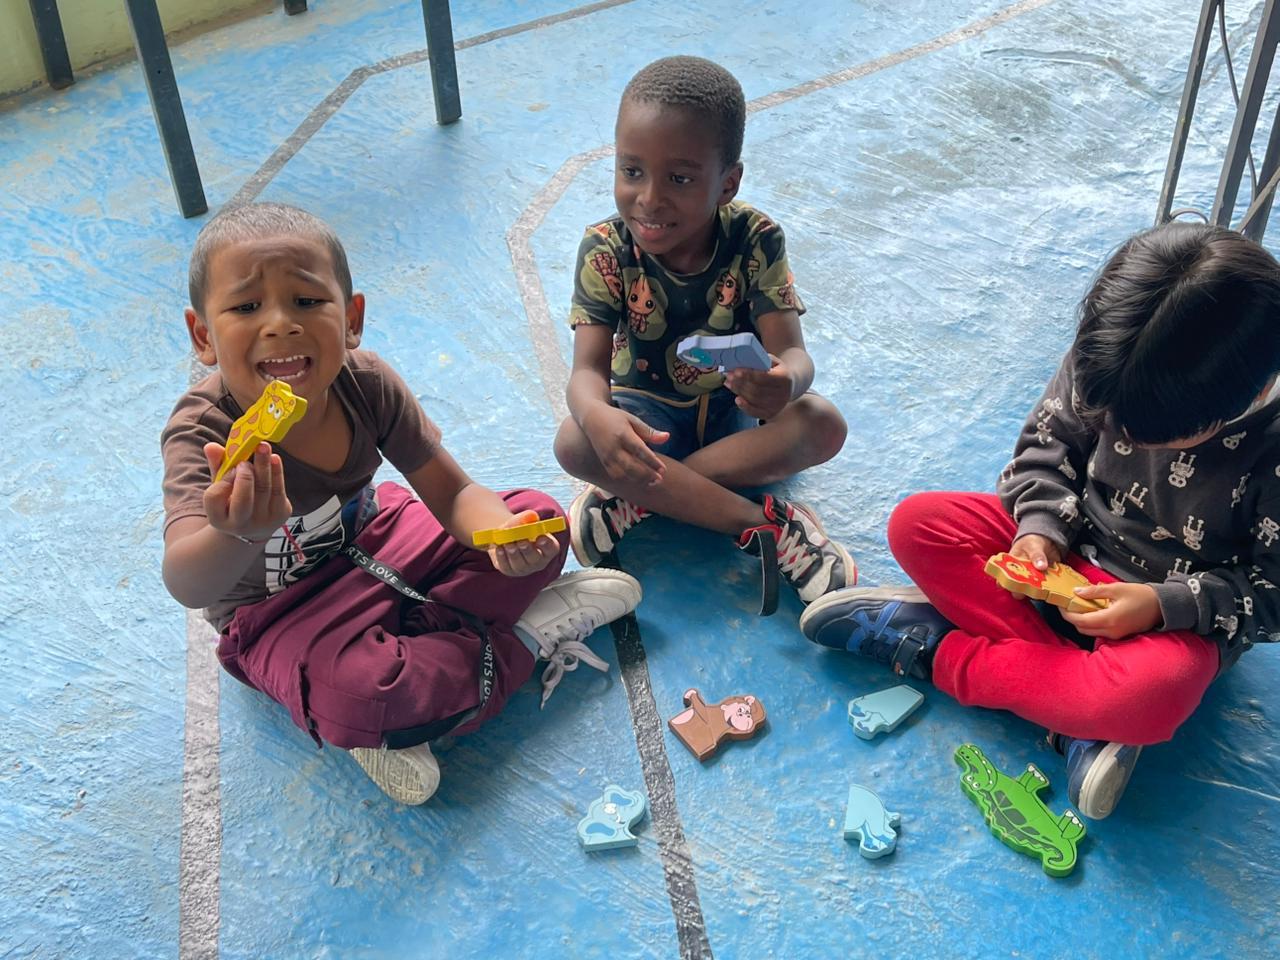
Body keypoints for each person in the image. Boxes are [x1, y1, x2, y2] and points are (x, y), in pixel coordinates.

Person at [161, 202, 641, 805]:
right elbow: (188, 584)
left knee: (540, 518)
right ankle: (520, 641)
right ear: (203, 336)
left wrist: (504, 534)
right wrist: (237, 532)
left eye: (307, 301)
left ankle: (420, 684)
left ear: (351, 320)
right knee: (366, 695)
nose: (280, 324)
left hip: (380, 538)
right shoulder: (203, 431)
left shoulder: (365, 384)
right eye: (246, 307)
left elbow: (455, 493)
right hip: (279, 614)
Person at [799, 222, 1280, 819]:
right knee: (917, 525)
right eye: (1112, 423)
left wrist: (1161, 605)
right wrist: (1038, 529)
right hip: (1070, 543)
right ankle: (1078, 716)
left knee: (1154, 696)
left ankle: (936, 651)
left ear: (1254, 389)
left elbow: (1271, 593)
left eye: (1163, 437)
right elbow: (1046, 450)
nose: (1126, 440)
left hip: (1170, 618)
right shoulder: (1115, 355)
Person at [553, 56, 855, 616]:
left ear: (727, 184)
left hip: (734, 424)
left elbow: (793, 354)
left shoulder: (756, 238)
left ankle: (643, 494)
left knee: (823, 423)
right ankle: (766, 526)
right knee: (574, 440)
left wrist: (785, 383)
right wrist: (596, 415)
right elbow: (586, 373)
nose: (649, 198)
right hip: (648, 424)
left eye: (680, 178)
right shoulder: (606, 249)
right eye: (632, 170)